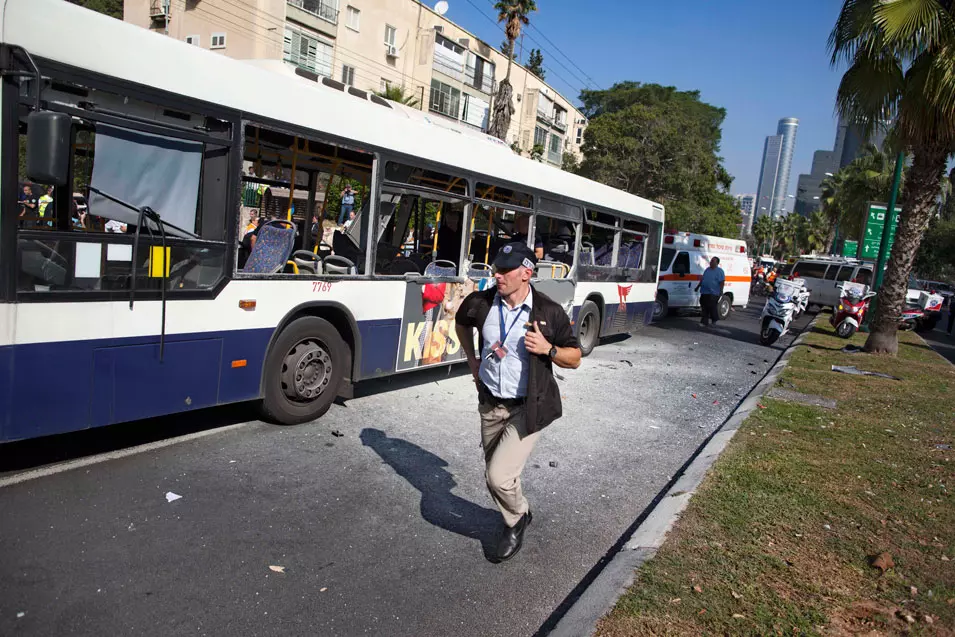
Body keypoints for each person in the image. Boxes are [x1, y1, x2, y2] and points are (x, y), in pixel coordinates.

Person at [455, 242, 581, 562]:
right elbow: (461, 320)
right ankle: (515, 505)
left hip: (528, 406)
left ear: (527, 273)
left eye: (506, 270)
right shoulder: (482, 302)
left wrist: (548, 349)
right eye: (496, 268)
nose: (498, 274)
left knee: (496, 477)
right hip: (490, 404)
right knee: (499, 473)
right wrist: (471, 360)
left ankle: (517, 518)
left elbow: (575, 357)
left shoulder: (548, 312)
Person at [696, 256, 725, 327]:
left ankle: (714, 321)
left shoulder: (720, 271)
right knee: (704, 307)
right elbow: (703, 279)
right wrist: (697, 287)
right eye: (711, 261)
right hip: (704, 291)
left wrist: (721, 291)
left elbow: (722, 282)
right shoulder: (707, 270)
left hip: (713, 293)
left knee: (711, 307)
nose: (711, 262)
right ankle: (704, 322)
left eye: (713, 261)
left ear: (717, 263)